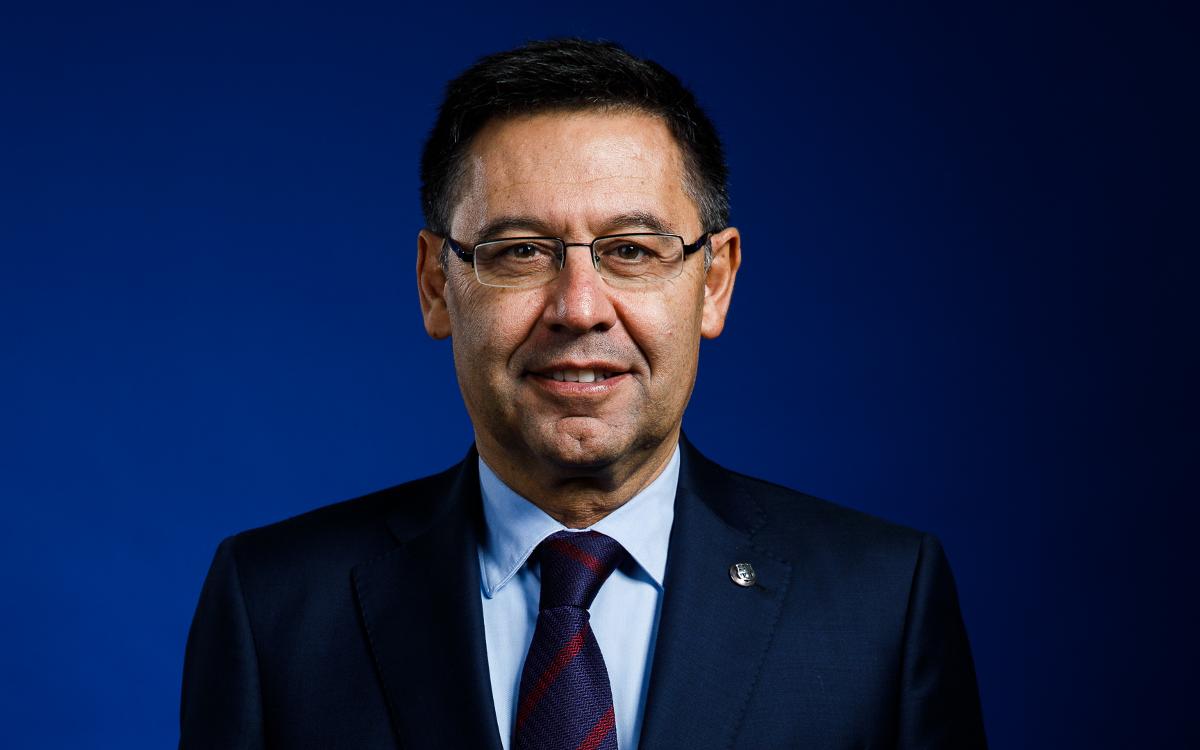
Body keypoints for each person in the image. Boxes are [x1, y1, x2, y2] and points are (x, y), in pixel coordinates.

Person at [179, 38, 987, 749]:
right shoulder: (276, 608)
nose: (579, 308)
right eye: (521, 251)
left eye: (631, 250)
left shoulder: (882, 604)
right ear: (435, 285)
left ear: (714, 282)